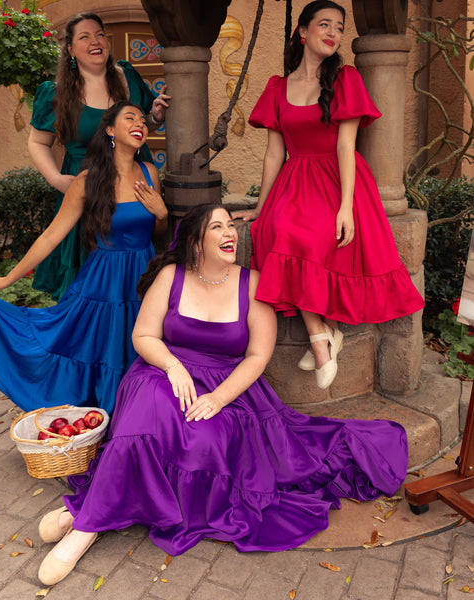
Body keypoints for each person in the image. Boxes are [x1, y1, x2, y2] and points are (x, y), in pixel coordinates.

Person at [35, 204, 408, 586]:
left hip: (228, 384)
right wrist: (173, 367)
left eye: (230, 225)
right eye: (217, 227)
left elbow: (257, 356)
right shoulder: (171, 277)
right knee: (145, 420)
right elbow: (143, 335)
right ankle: (85, 530)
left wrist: (217, 398)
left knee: (203, 439)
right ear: (196, 242)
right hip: (163, 370)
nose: (230, 232)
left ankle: (78, 515)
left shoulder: (253, 283)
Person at [233, 0, 424, 390]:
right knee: (275, 230)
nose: (334, 32)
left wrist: (346, 207)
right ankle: (321, 334)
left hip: (337, 178)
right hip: (294, 180)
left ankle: (322, 337)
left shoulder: (345, 79)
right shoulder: (278, 87)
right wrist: (260, 207)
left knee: (310, 236)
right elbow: (274, 154)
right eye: (324, 24)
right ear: (302, 32)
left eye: (339, 26)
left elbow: (345, 146)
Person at [0, 102, 168, 414]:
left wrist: (162, 213)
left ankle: (138, 418)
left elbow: (157, 231)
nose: (140, 123)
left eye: (142, 119)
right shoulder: (87, 181)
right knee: (104, 351)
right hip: (103, 285)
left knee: (142, 348)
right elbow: (50, 236)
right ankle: (109, 418)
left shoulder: (149, 173)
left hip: (143, 279)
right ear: (110, 130)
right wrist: (7, 278)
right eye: (130, 118)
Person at [28, 11, 171, 299]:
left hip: (132, 184)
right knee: (87, 279)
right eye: (85, 37)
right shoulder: (55, 93)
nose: (95, 41)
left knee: (132, 268)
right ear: (70, 49)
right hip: (86, 187)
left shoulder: (126, 76)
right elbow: (37, 142)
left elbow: (138, 126)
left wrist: (154, 117)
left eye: (100, 34)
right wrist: (55, 178)